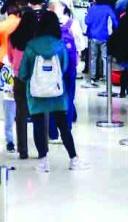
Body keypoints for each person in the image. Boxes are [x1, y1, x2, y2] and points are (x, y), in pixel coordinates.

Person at [19, 11, 85, 172]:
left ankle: (43, 161)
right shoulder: (60, 45)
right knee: (63, 126)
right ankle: (73, 159)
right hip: (57, 92)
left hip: (36, 93)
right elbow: (63, 67)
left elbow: (23, 73)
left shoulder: (31, 46)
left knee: (38, 125)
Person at [48, 0, 83, 142]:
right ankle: (66, 130)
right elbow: (80, 44)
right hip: (69, 65)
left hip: (52, 65)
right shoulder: (72, 23)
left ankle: (53, 133)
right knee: (68, 96)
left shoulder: (47, 23)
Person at [0, 0, 21, 152]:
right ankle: (22, 135)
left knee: (8, 100)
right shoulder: (23, 24)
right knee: (21, 100)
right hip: (21, 64)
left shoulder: (1, 26)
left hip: (6, 65)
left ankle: (9, 139)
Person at [8, 10, 37, 160]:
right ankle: (42, 148)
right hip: (36, 80)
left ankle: (23, 149)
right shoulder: (38, 39)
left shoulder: (13, 37)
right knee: (40, 113)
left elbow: (10, 57)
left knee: (21, 113)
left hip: (19, 78)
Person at [84, 0, 118, 86]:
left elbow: (87, 21)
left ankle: (93, 76)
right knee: (105, 57)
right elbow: (114, 21)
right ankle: (105, 76)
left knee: (93, 58)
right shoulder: (108, 8)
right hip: (105, 36)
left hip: (93, 35)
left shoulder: (92, 9)